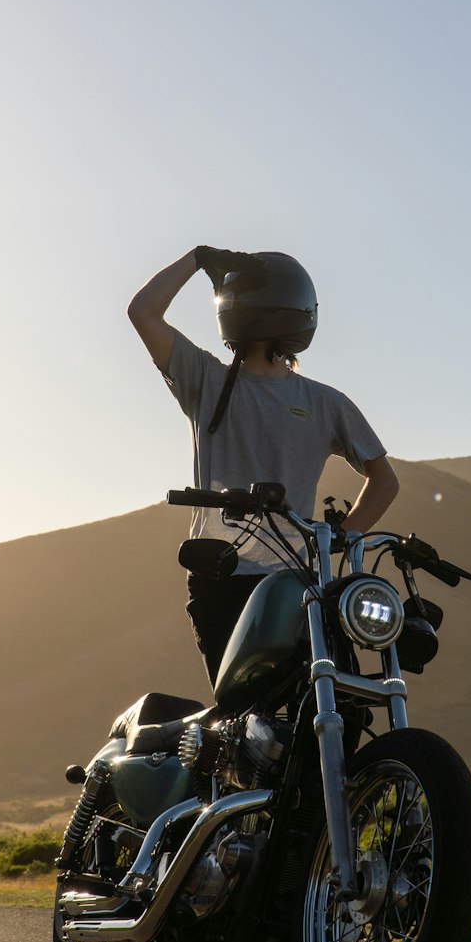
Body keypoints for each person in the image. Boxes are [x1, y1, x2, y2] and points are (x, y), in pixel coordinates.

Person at [127, 246, 400, 683]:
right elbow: (142, 312)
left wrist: (346, 536)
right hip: (222, 578)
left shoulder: (324, 401)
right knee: (244, 719)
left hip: (296, 581)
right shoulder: (208, 380)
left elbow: (384, 479)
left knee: (331, 694)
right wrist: (196, 259)